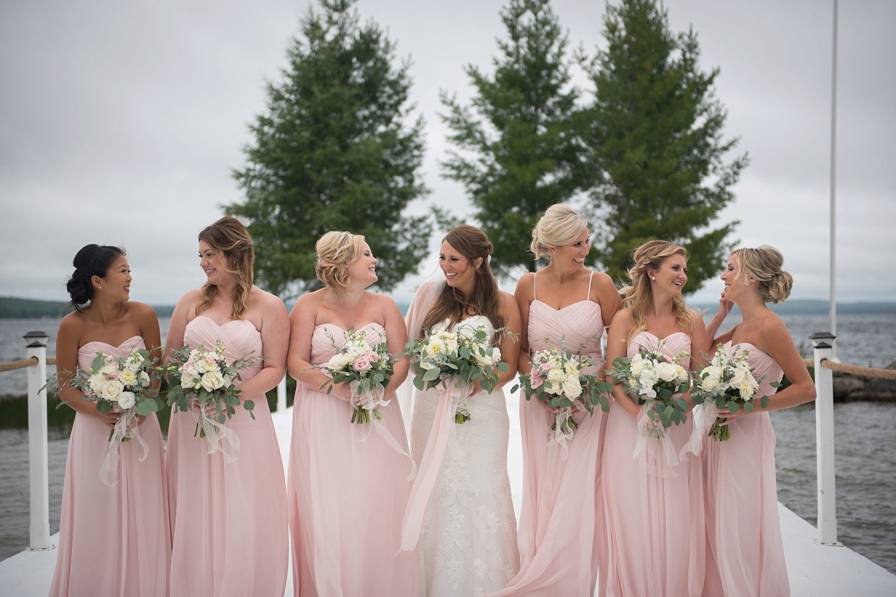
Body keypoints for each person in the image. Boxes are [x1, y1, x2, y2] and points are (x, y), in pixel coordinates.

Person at [496, 204, 620, 596]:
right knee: (546, 485)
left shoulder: (599, 284)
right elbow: (521, 352)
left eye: (586, 241)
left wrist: (585, 386)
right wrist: (545, 384)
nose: (585, 249)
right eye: (576, 243)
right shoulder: (526, 286)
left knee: (583, 489)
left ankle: (578, 580)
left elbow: (622, 343)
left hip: (593, 402)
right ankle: (542, 572)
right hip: (540, 401)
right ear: (552, 245)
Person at [287, 231, 417, 597]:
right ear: (343, 262)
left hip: (377, 413)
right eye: (366, 254)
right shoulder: (308, 306)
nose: (374, 260)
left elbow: (401, 359)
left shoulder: (386, 305)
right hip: (324, 415)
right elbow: (295, 363)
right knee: (332, 504)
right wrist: (338, 388)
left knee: (377, 500)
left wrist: (380, 388)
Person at [164, 216, 288, 597]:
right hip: (192, 419)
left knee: (243, 504)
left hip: (244, 420)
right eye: (201, 255)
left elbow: (275, 370)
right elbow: (170, 361)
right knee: (195, 502)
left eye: (211, 254)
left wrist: (233, 394)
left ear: (236, 253)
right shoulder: (190, 302)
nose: (204, 263)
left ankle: (244, 584)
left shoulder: (269, 306)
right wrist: (194, 383)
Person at [401, 224, 522, 596]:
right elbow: (412, 354)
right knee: (436, 488)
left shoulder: (503, 302)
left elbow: (509, 365)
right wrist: (439, 369)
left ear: (478, 261)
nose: (445, 266)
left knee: (481, 487)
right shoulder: (429, 295)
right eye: (442, 258)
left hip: (482, 410)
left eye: (454, 259)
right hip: (433, 407)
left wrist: (472, 381)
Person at [49, 244, 169, 597]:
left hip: (140, 429)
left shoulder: (144, 315)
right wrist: (97, 409)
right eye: (123, 271)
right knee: (96, 514)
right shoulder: (71, 326)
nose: (130, 277)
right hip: (94, 432)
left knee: (145, 512)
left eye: (130, 269)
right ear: (99, 281)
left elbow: (158, 375)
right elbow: (66, 388)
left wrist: (139, 403)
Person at [701, 246, 815, 597]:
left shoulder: (770, 327)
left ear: (750, 278)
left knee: (739, 522)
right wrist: (721, 315)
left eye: (730, 268)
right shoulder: (742, 325)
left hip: (747, 438)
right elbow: (701, 353)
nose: (723, 275)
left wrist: (751, 407)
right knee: (716, 520)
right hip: (719, 435)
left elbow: (807, 389)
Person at [599, 240, 708, 597]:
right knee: (631, 514)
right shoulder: (625, 318)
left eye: (684, 269)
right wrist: (641, 415)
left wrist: (673, 410)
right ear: (652, 272)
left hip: (676, 427)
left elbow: (703, 380)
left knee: (678, 518)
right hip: (627, 427)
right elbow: (613, 378)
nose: (683, 275)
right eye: (675, 268)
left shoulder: (691, 321)